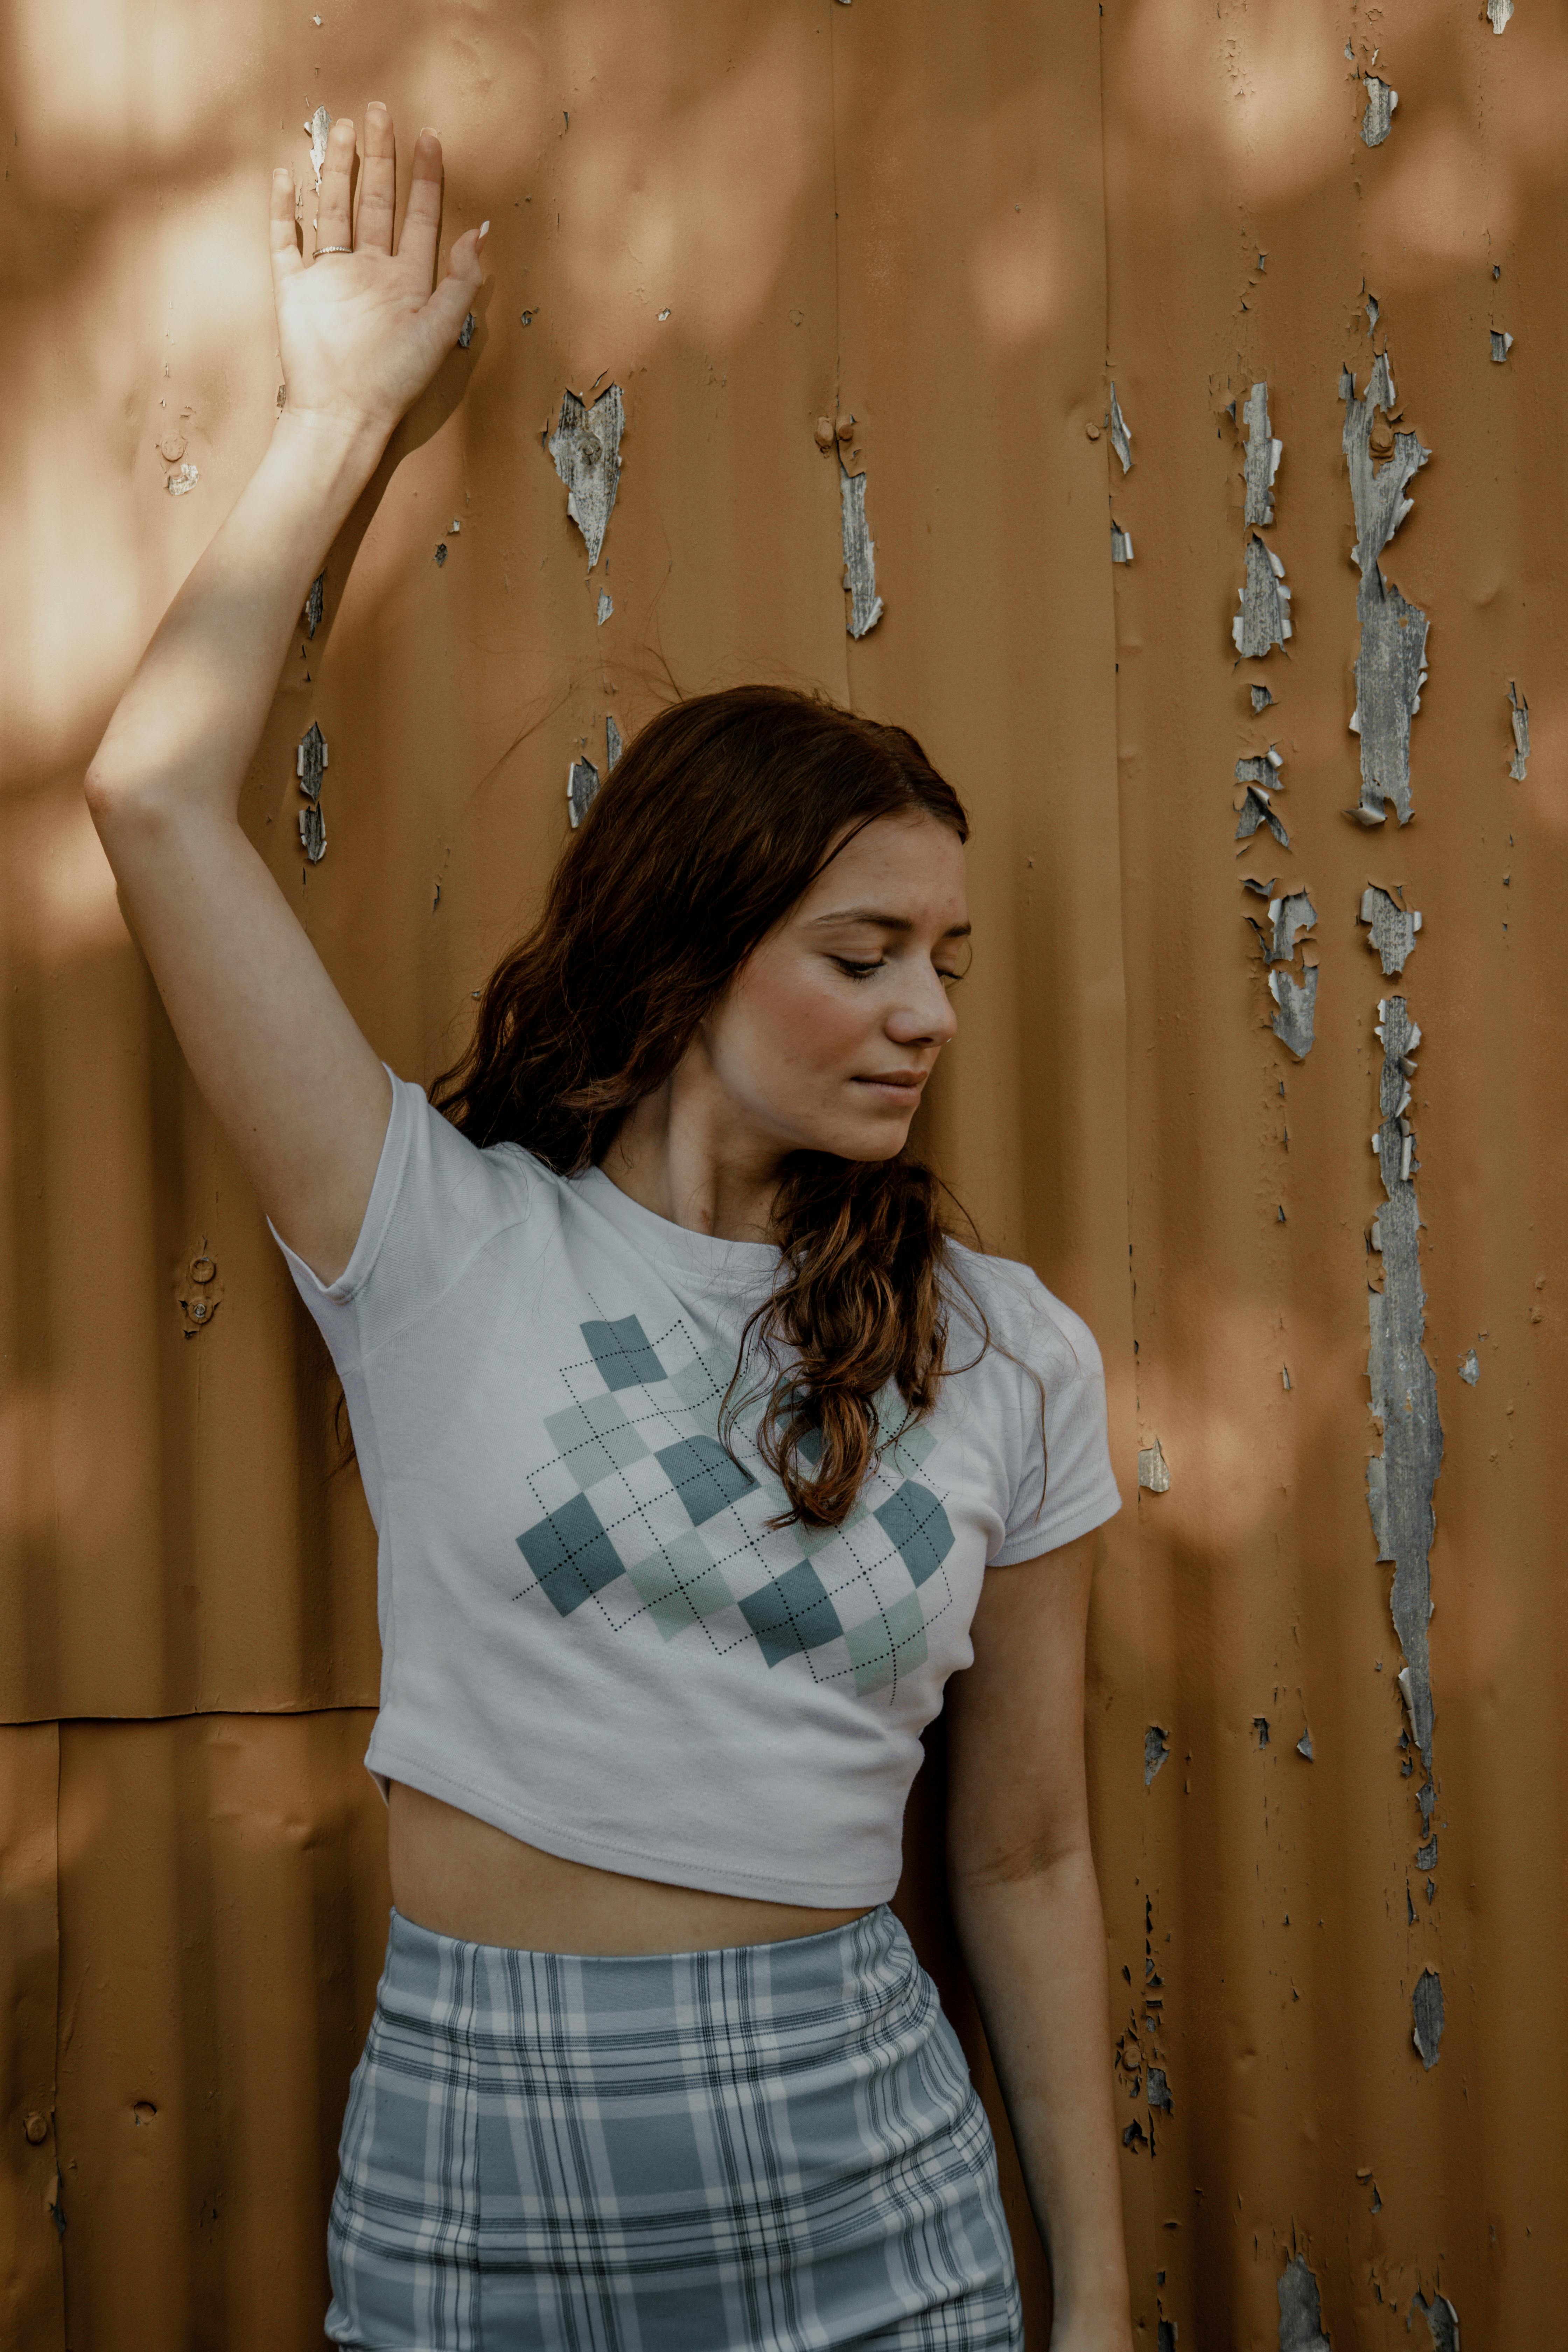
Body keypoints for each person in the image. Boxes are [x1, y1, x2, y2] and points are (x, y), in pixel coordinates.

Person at [86, 103, 1134, 2352]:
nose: (927, 1013)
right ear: (689, 951)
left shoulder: (1010, 1353)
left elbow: (1026, 1853)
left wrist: (1106, 2298)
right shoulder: (435, 1239)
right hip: (479, 2166)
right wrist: (337, 413)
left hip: (876, 2172)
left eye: (949, 959)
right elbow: (147, 799)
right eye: (864, 954)